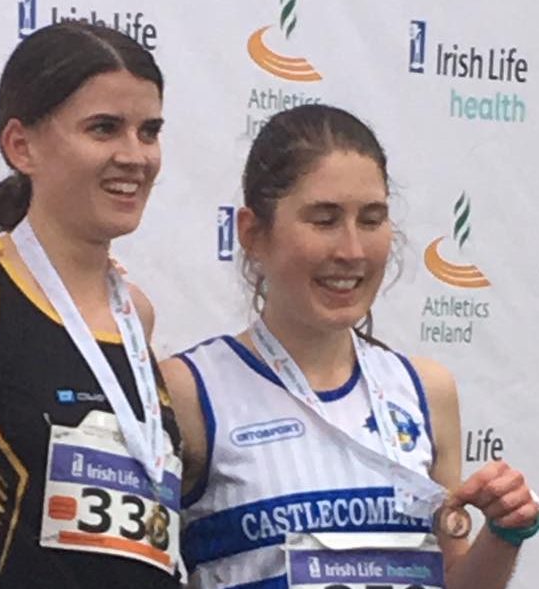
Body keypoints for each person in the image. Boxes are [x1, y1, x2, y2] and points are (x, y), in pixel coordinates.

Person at [161, 104, 538, 589]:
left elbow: (452, 578)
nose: (352, 251)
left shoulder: (425, 390)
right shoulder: (190, 389)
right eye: (325, 220)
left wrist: (505, 534)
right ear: (253, 233)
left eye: (371, 220)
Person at [0, 22, 183, 588]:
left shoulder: (135, 313)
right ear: (21, 146)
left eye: (149, 131)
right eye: (104, 128)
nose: (135, 156)